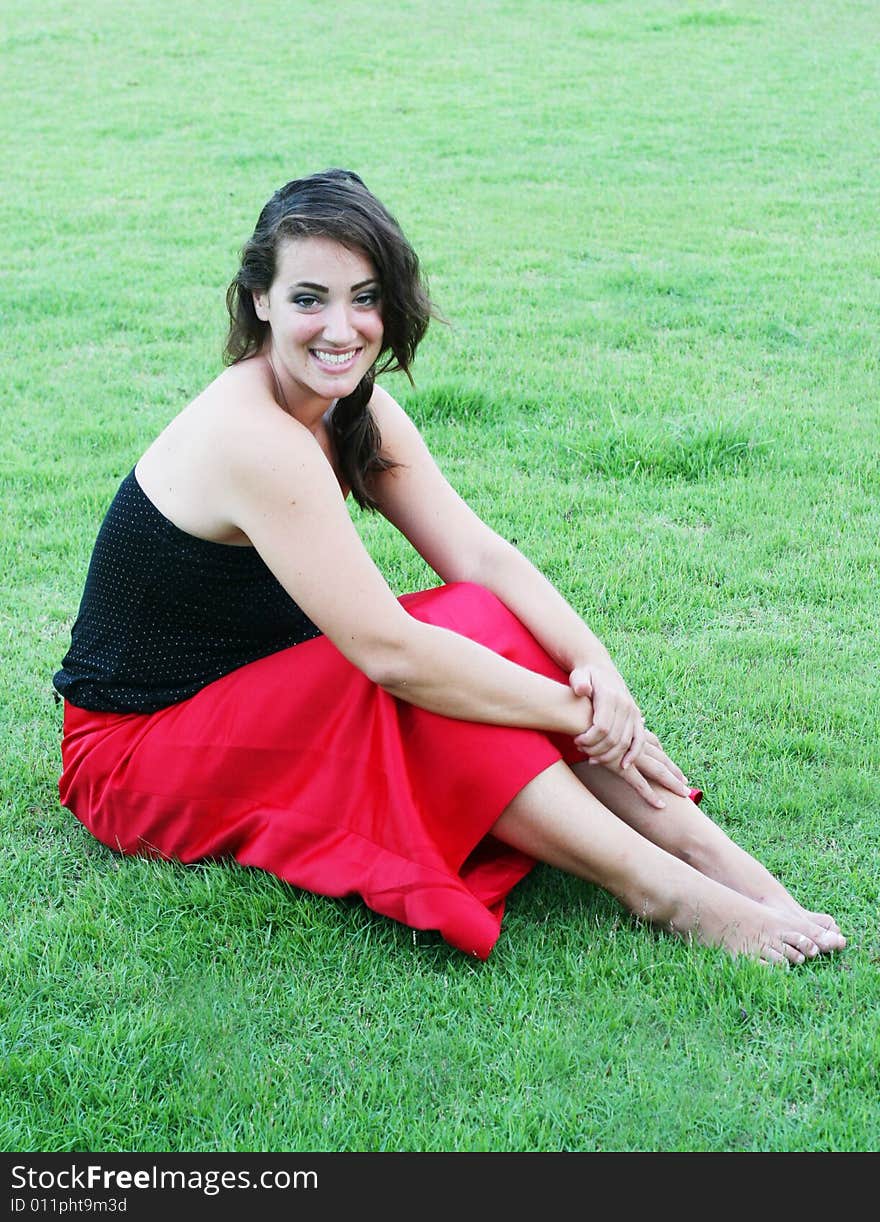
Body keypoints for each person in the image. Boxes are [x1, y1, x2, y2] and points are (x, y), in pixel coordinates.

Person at [54, 168, 844, 966]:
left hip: (267, 689)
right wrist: (577, 717)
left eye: (365, 297)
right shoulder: (251, 435)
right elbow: (389, 654)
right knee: (422, 674)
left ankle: (715, 858)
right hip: (137, 750)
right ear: (259, 299)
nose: (342, 327)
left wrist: (599, 672)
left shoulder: (349, 408)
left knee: (475, 617)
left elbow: (478, 555)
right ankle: (663, 890)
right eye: (308, 299)